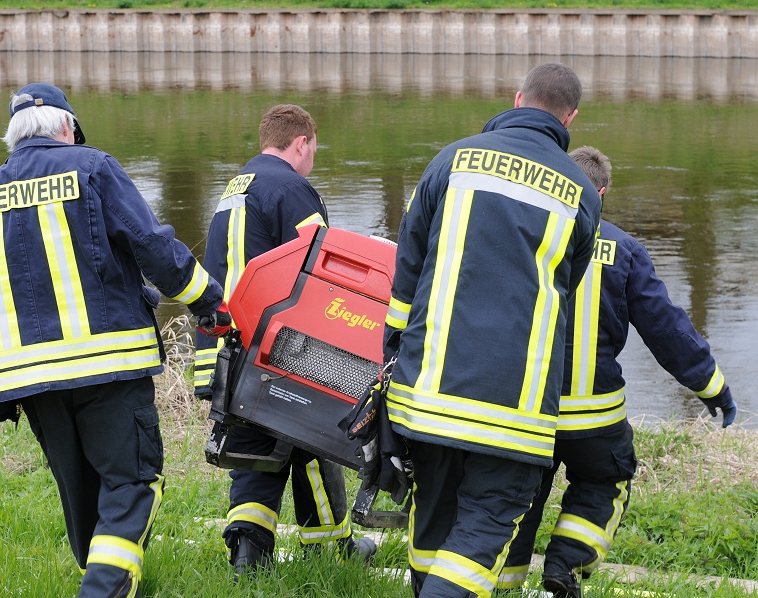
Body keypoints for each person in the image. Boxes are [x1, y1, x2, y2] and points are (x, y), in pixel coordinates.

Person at [0, 82, 230, 598]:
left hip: (24, 377)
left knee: (80, 485)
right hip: (106, 363)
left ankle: (99, 575)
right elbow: (152, 245)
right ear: (68, 129)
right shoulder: (93, 168)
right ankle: (101, 589)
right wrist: (209, 304)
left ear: (12, 137)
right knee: (131, 481)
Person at [381, 62, 603, 598]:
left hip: (429, 391)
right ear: (571, 117)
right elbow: (566, 288)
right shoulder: (582, 193)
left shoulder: (451, 160)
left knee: (433, 514)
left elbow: (406, 271)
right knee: (486, 525)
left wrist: (393, 354)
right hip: (513, 408)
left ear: (517, 97)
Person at [495, 146, 737, 598]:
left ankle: (501, 585)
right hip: (596, 419)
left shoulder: (524, 235)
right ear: (602, 194)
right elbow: (667, 330)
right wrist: (713, 386)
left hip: (525, 410)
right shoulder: (624, 250)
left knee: (513, 498)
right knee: (606, 481)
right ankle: (564, 566)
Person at [194, 103, 376, 578]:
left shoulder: (234, 188)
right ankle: (331, 549)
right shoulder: (292, 189)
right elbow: (325, 273)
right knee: (314, 436)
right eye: (313, 150)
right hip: (276, 347)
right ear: (301, 143)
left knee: (256, 447)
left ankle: (247, 550)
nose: (313, 159)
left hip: (230, 346)